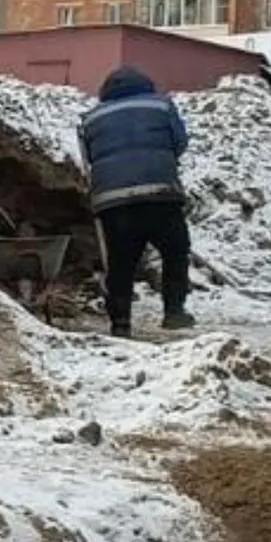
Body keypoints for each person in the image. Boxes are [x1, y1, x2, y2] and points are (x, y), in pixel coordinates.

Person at [77, 66, 195, 339]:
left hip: (113, 200)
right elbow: (180, 142)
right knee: (175, 251)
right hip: (160, 192)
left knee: (121, 262)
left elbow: (91, 157)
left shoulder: (92, 118)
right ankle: (174, 311)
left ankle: (120, 323)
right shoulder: (162, 106)